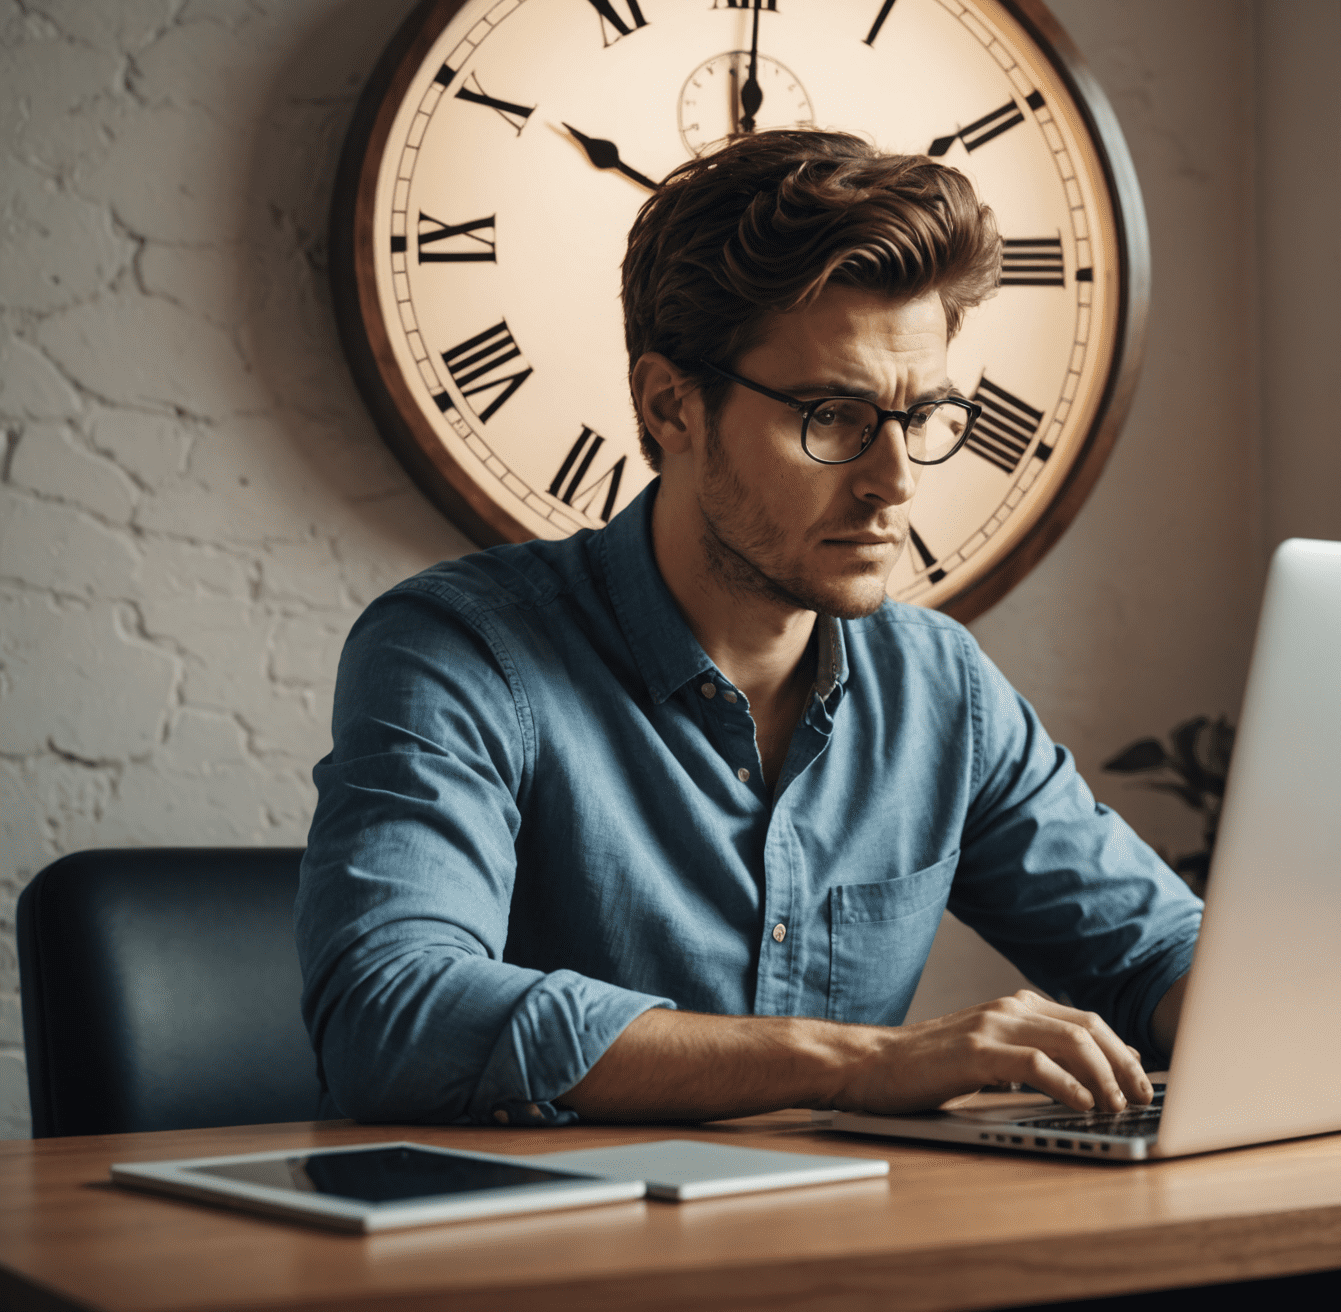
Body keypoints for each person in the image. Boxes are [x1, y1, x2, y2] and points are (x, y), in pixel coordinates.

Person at [295, 130, 1202, 1129]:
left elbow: (1160, 955)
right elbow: (392, 1014)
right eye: (831, 415)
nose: (894, 481)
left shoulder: (942, 689)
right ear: (671, 404)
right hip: (538, 1266)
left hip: (844, 1261)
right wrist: (854, 1063)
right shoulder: (459, 652)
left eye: (924, 414)